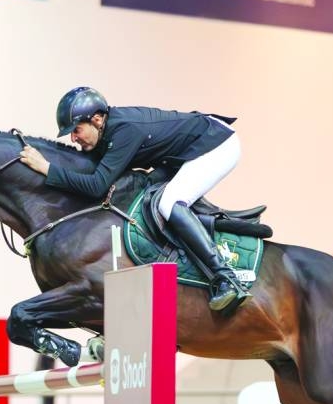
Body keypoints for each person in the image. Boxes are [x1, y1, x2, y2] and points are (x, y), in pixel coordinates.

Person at [19, 86, 251, 313]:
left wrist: (47, 168)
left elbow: (96, 187)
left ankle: (226, 278)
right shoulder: (106, 132)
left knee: (168, 203)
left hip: (216, 145)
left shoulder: (124, 132)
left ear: (98, 120)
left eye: (77, 130)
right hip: (183, 151)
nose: (73, 138)